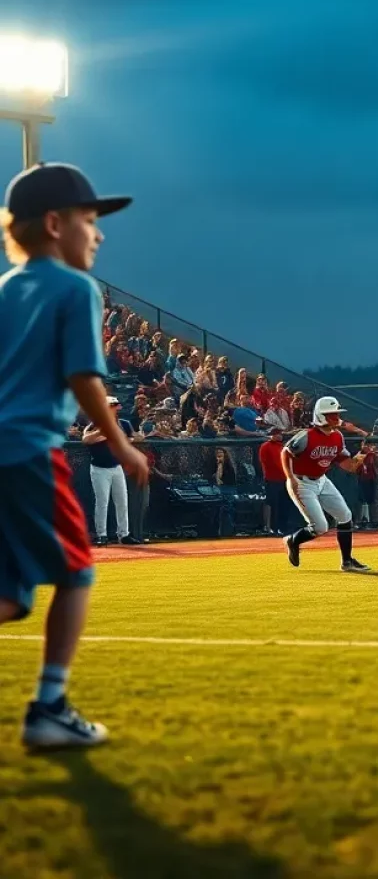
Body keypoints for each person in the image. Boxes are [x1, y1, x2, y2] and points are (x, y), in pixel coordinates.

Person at [0, 162, 148, 749]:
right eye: (90, 221)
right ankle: (50, 706)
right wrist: (121, 443)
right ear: (56, 224)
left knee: (10, 599)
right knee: (77, 570)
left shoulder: (6, 288)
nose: (100, 234)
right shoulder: (76, 287)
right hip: (30, 449)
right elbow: (83, 375)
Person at [281, 396, 371, 572]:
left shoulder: (337, 437)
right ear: (321, 416)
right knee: (320, 527)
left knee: (345, 515)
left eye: (337, 414)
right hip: (302, 482)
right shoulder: (306, 436)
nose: (337, 417)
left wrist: (362, 454)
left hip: (322, 480)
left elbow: (349, 466)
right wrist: (290, 478)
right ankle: (293, 540)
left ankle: (347, 561)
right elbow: (285, 453)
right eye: (332, 415)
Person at [83, 395, 140, 546]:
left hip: (116, 467)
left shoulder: (121, 423)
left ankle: (124, 534)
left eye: (115, 406)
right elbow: (86, 439)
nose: (115, 408)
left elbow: (136, 437)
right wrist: (102, 433)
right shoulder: (94, 424)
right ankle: (101, 534)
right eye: (111, 406)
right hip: (99, 468)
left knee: (122, 500)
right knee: (102, 502)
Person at [258, 428, 289, 535]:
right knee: (272, 504)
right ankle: (271, 527)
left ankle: (282, 527)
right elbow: (269, 463)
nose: (279, 436)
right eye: (276, 434)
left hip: (284, 480)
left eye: (280, 433)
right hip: (272, 480)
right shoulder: (266, 446)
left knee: (283, 504)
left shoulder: (282, 446)